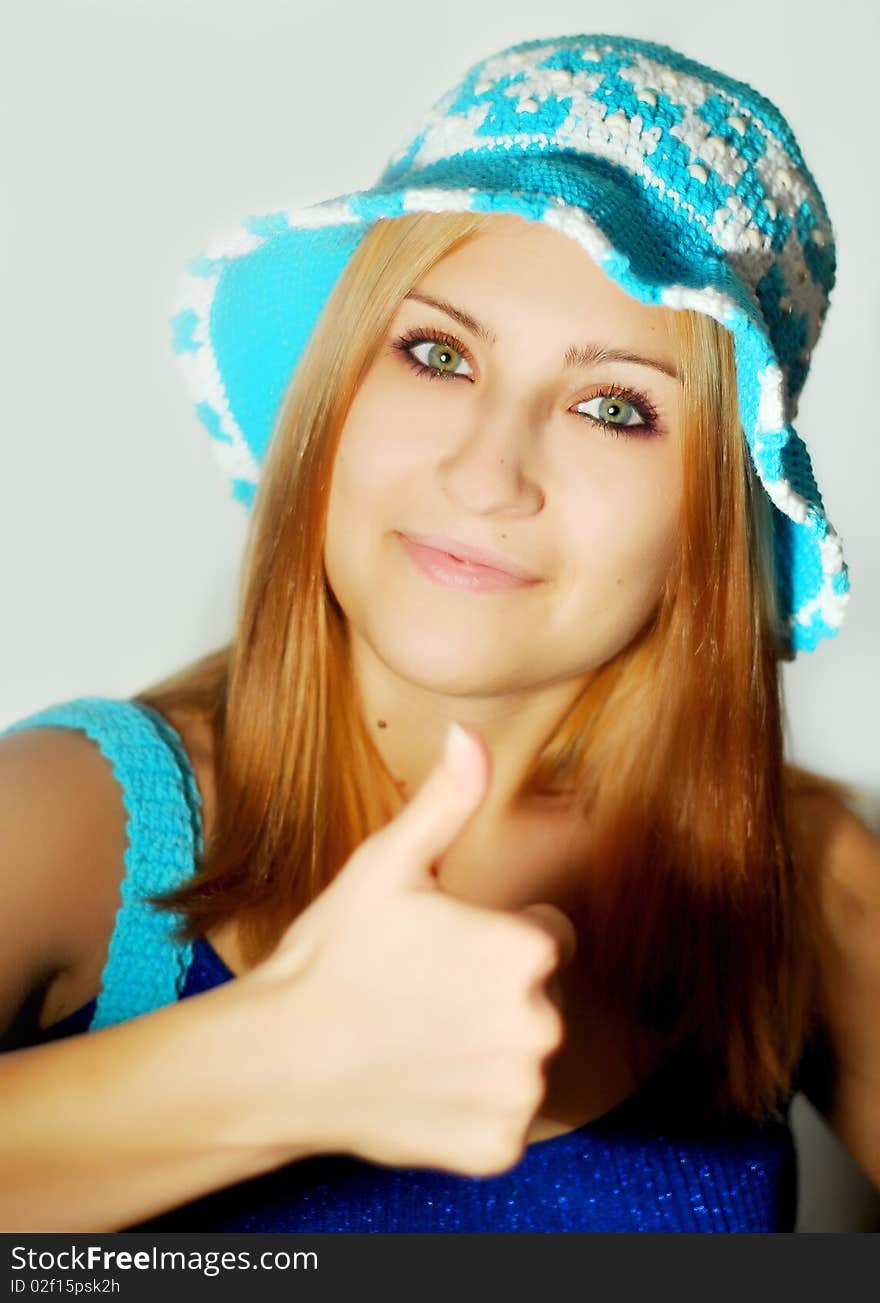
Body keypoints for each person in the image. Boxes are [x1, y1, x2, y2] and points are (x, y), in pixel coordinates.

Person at [1, 31, 877, 1234]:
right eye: (436, 352)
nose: (485, 472)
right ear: (337, 394)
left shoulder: (801, 879)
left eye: (614, 407)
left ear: (717, 515)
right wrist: (269, 1068)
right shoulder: (76, 820)